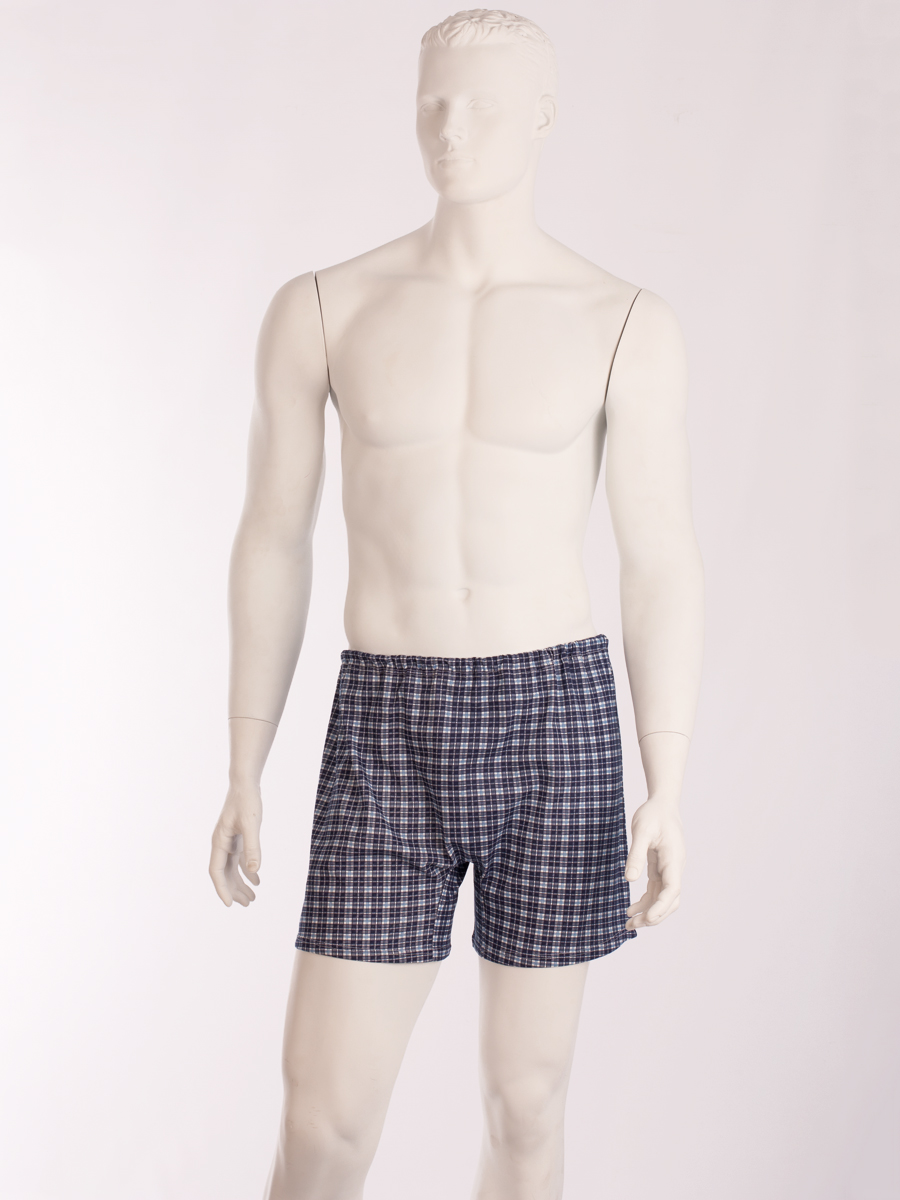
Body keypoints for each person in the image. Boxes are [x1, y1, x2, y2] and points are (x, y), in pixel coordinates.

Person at [209, 10, 703, 1199]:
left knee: (524, 1107)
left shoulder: (622, 322)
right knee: (324, 1121)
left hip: (556, 720)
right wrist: (243, 764)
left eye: (484, 102)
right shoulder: (325, 307)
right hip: (386, 716)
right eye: (433, 99)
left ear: (545, 113)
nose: (452, 127)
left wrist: (667, 783)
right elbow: (273, 537)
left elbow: (661, 559)